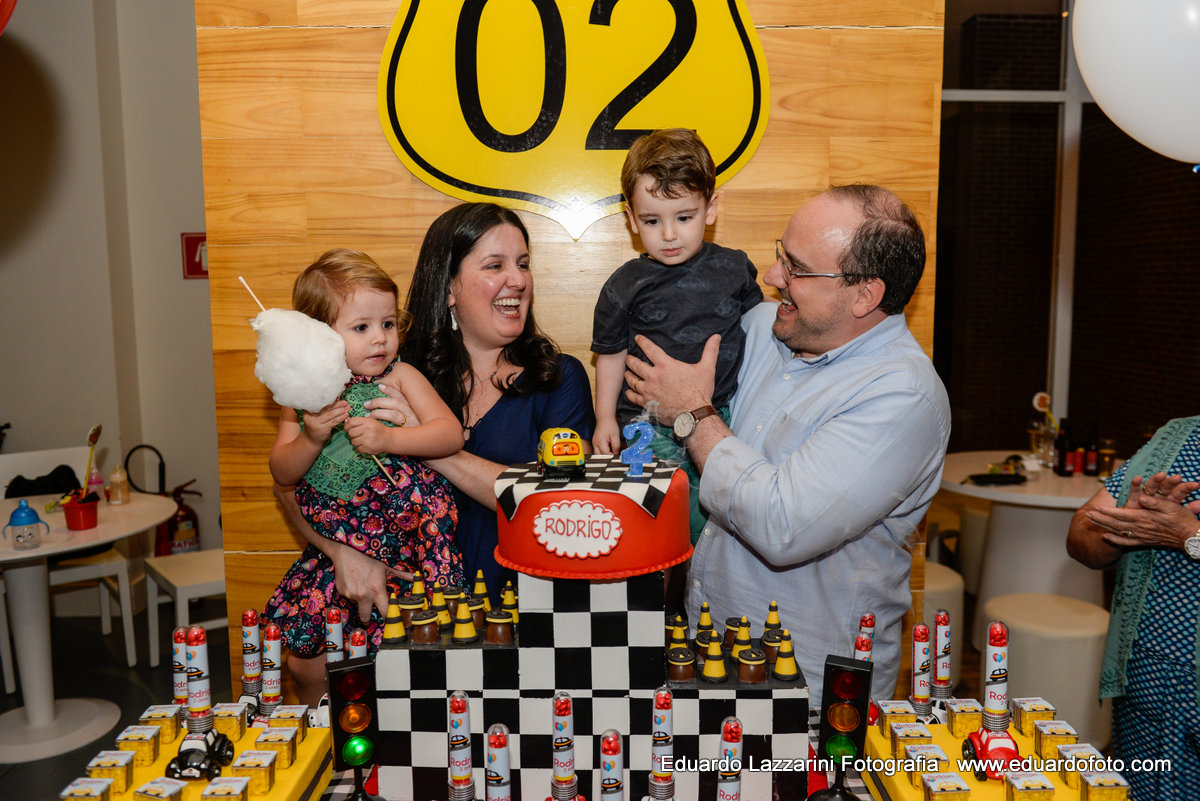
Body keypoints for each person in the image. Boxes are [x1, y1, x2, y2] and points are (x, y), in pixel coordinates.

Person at [624, 184, 951, 700]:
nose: (772, 277)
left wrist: (692, 413)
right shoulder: (761, 328)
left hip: (812, 687)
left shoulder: (902, 395)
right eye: (780, 255)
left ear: (865, 294)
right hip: (710, 653)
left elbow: (782, 524)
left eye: (795, 269)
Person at [275, 203, 595, 637]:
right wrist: (340, 553)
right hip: (410, 618)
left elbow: (557, 505)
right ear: (448, 288)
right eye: (495, 265)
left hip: (523, 616)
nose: (518, 280)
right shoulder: (389, 369)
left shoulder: (558, 378)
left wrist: (409, 439)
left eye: (523, 264)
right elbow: (290, 481)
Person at [264, 248, 465, 704]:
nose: (380, 339)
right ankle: (328, 734)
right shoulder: (300, 394)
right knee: (314, 657)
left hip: (413, 544)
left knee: (411, 657)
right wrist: (311, 438)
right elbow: (281, 471)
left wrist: (388, 440)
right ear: (317, 335)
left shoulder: (401, 376)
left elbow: (449, 434)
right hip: (341, 543)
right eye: (361, 328)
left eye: (388, 324)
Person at [591, 128, 762, 544]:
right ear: (631, 218)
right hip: (644, 424)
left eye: (683, 217)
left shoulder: (735, 268)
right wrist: (604, 418)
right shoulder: (624, 283)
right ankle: (662, 604)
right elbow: (610, 355)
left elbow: (760, 329)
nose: (669, 234)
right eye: (652, 220)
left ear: (710, 209)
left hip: (720, 416)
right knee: (652, 525)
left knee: (720, 523)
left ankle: (698, 603)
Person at [1067, 416, 1200, 800]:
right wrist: (1125, 526)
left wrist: (1190, 537)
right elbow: (1081, 533)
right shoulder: (1177, 436)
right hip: (1146, 687)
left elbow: (1187, 535)